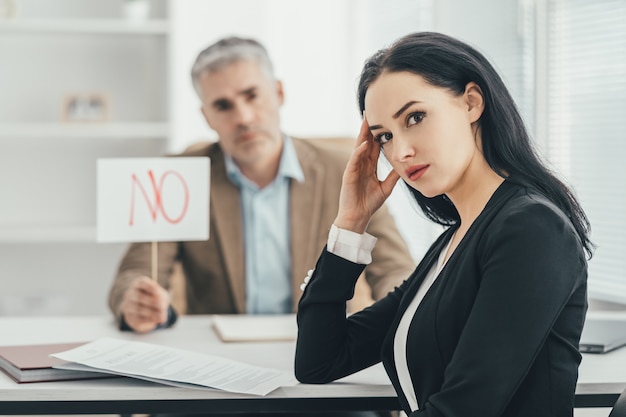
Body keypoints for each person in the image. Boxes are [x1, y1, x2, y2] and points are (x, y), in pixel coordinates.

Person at [295, 32, 593, 417]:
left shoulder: (531, 229)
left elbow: (465, 408)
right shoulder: (456, 239)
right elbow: (319, 361)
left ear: (471, 102)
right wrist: (350, 223)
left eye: (415, 118)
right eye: (384, 136)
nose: (400, 152)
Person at [108, 36, 415, 334]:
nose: (242, 117)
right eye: (223, 105)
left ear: (278, 92)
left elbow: (394, 269)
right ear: (207, 117)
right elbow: (135, 273)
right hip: (223, 357)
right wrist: (136, 301)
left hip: (325, 345)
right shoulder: (180, 176)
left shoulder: (343, 169)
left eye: (251, 95)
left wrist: (409, 312)